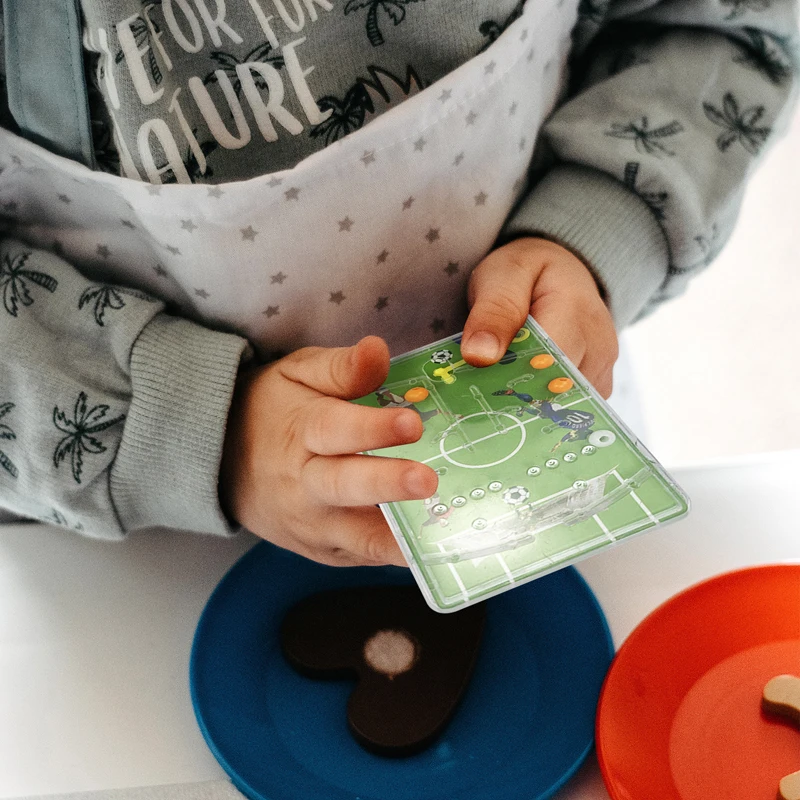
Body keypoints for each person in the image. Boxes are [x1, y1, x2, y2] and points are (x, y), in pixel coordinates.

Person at [0, 0, 796, 567]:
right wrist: (194, 431)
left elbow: (720, 23)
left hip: (540, 417)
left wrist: (595, 230)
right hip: (119, 527)